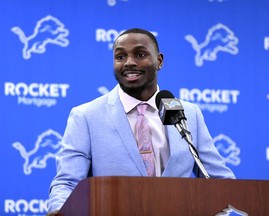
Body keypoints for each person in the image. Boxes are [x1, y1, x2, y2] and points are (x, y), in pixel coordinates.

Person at [47, 28, 235, 215]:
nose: (129, 62)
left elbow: (219, 181)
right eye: (120, 57)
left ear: (159, 61)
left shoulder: (189, 113)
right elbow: (68, 183)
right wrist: (59, 211)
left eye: (139, 54)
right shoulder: (86, 116)